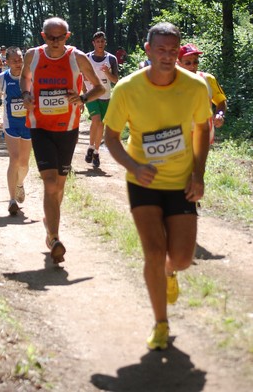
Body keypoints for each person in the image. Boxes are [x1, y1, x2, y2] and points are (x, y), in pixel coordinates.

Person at [104, 22, 211, 351]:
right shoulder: (126, 88)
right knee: (152, 249)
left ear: (179, 53)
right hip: (143, 182)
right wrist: (134, 166)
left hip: (180, 182)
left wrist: (198, 173)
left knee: (180, 258)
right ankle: (160, 324)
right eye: (160, 50)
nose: (167, 56)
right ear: (148, 51)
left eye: (173, 51)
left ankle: (170, 271)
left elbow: (203, 129)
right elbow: (111, 137)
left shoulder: (194, 87)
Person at [20, 17, 105, 264]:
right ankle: (54, 238)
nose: (55, 42)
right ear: (42, 36)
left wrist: (83, 98)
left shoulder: (77, 57)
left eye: (60, 37)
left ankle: (50, 220)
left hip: (68, 128)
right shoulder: (32, 56)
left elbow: (99, 87)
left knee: (59, 183)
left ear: (68, 36)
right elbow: (25, 78)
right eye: (50, 37)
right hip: (39, 126)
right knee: (49, 182)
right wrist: (26, 94)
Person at [0, 47, 31, 215]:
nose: (18, 63)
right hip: (11, 125)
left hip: (28, 124)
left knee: (24, 163)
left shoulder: (29, 77)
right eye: (14, 60)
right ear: (6, 62)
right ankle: (12, 199)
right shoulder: (3, 78)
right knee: (14, 159)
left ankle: (20, 183)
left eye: (20, 59)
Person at [177, 43, 227, 144]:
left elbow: (221, 101)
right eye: (188, 63)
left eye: (195, 62)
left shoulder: (208, 79)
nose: (192, 66)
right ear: (178, 63)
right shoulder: (169, 82)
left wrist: (220, 114)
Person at [84, 31, 119, 168]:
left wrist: (107, 72)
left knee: (101, 125)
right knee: (96, 120)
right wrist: (83, 93)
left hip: (105, 95)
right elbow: (82, 76)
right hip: (91, 94)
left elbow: (115, 80)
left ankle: (95, 152)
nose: (100, 44)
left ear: (105, 42)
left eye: (102, 41)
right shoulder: (86, 58)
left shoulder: (111, 59)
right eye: (97, 42)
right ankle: (91, 147)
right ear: (93, 43)